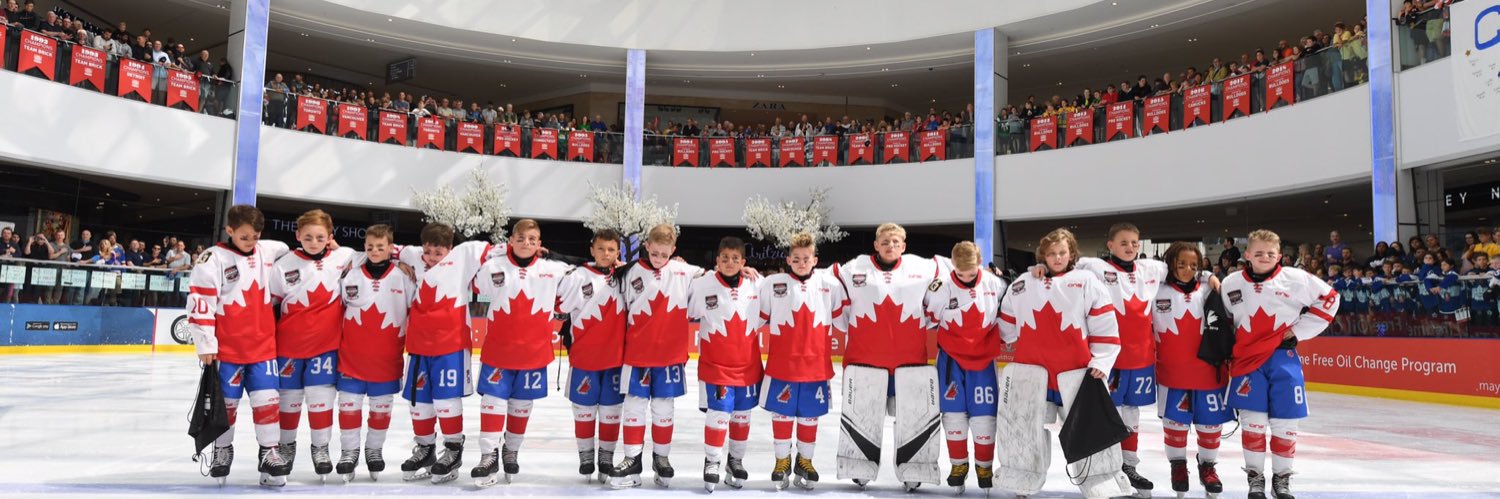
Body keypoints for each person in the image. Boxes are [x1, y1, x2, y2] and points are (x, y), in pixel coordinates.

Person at [995, 228, 1123, 497]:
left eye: (1062, 252)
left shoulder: (1086, 281)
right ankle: (1023, 475)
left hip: (1076, 371)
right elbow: (1006, 327)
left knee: (1087, 427)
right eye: (1051, 253)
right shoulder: (1023, 284)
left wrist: (1102, 359)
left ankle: (1097, 479)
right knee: (1026, 426)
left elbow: (1104, 323)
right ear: (1043, 255)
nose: (1057, 257)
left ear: (1072, 253)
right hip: (1032, 371)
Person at [1220, 229, 1339, 499]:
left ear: (1280, 256)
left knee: (1286, 423)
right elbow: (1227, 321)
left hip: (1282, 359)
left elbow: (1331, 299)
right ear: (1247, 254)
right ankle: (1255, 479)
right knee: (1253, 424)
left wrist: (1299, 331)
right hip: (1247, 363)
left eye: (1270, 254)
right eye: (1258, 253)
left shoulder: (1295, 279)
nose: (1264, 257)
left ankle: (1282, 480)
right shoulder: (1231, 283)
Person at [185, 205, 293, 486]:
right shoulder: (212, 259)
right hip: (227, 351)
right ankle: (222, 449)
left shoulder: (268, 250)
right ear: (230, 230)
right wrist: (205, 344)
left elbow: (291, 250)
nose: (251, 242)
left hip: (263, 348)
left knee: (268, 402)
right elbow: (200, 303)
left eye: (256, 236)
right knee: (227, 407)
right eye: (245, 237)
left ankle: (269, 452)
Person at [831, 222, 943, 491]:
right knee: (865, 414)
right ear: (875, 245)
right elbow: (824, 283)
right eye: (885, 242)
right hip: (865, 361)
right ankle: (859, 464)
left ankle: (914, 466)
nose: (890, 246)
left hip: (910, 362)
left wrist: (1034, 271)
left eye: (895, 242)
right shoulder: (853, 268)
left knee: (910, 417)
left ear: (903, 246)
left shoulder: (924, 267)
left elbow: (964, 268)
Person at [393, 222, 505, 483]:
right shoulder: (411, 255)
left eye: (438, 252)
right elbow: (382, 249)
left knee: (445, 401)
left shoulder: (464, 255)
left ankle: (453, 450)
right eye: (428, 251)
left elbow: (501, 250)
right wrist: (398, 263)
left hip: (451, 344)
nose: (431, 257)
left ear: (449, 249)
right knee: (418, 404)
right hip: (419, 345)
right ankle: (425, 448)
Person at [468, 219, 572, 487]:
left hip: (533, 354)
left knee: (521, 407)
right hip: (498, 352)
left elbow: (588, 275)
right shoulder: (492, 267)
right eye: (521, 238)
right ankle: (488, 455)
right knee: (492, 402)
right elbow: (474, 285)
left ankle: (511, 450)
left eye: (532, 239)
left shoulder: (555, 270)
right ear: (511, 240)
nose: (527, 243)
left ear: (540, 244)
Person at [608, 224, 706, 489]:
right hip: (637, 355)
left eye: (665, 254)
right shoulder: (628, 273)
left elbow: (716, 279)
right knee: (634, 408)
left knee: (664, 408)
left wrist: (742, 272)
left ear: (673, 251)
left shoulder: (686, 272)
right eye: (656, 253)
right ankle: (632, 459)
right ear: (647, 246)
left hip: (670, 357)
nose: (660, 259)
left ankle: (661, 458)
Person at [270, 209, 357, 481]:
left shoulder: (343, 257)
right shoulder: (283, 264)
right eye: (307, 236)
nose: (314, 241)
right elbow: (272, 305)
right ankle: (285, 447)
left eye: (320, 237)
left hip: (325, 347)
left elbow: (373, 257)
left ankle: (320, 448)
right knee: (288, 403)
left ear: (330, 238)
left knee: (321, 402)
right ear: (297, 236)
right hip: (288, 348)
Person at [756, 232, 845, 490]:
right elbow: (757, 316)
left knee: (809, 416)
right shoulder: (774, 283)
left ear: (815, 259)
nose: (802, 262)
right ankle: (782, 461)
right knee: (782, 415)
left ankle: (805, 460)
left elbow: (843, 318)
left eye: (806, 258)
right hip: (782, 365)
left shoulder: (830, 284)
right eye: (796, 258)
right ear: (788, 260)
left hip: (816, 366)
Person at [925, 241, 1006, 493]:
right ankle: (958, 465)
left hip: (984, 360)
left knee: (984, 415)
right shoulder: (940, 288)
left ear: (979, 264)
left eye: (971, 273)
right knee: (953, 413)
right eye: (961, 274)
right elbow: (928, 320)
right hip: (951, 359)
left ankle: (984, 467)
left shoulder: (995, 284)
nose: (967, 278)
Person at [334, 224, 411, 482]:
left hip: (386, 360)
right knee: (348, 409)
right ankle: (349, 452)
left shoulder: (403, 277)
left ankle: (374, 450)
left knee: (380, 412)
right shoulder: (351, 274)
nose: (375, 251)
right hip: (351, 358)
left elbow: (415, 311)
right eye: (369, 247)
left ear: (391, 248)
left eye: (381, 247)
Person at [1152, 242, 1229, 497]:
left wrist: (1209, 276)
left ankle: (1208, 466)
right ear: (1169, 263)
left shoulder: (1209, 288)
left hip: (1209, 371)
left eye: (1194, 266)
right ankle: (1178, 466)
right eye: (1180, 264)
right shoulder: (1156, 290)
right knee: (1175, 425)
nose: (1187, 270)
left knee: (1210, 425)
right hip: (1172, 373)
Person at [688, 236, 764, 492]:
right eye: (724, 258)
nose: (729, 263)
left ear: (743, 262)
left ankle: (735, 461)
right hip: (716, 366)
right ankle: (712, 461)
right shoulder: (702, 285)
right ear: (717, 260)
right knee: (719, 414)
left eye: (735, 259)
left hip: (748, 366)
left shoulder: (757, 284)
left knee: (742, 417)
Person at [556, 229, 628, 483]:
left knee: (611, 413)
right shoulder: (576, 277)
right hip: (584, 358)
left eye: (611, 250)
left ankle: (606, 457)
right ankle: (586, 455)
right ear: (592, 250)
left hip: (616, 361)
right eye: (601, 249)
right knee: (584, 412)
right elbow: (557, 304)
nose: (606, 254)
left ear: (618, 252)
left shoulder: (626, 276)